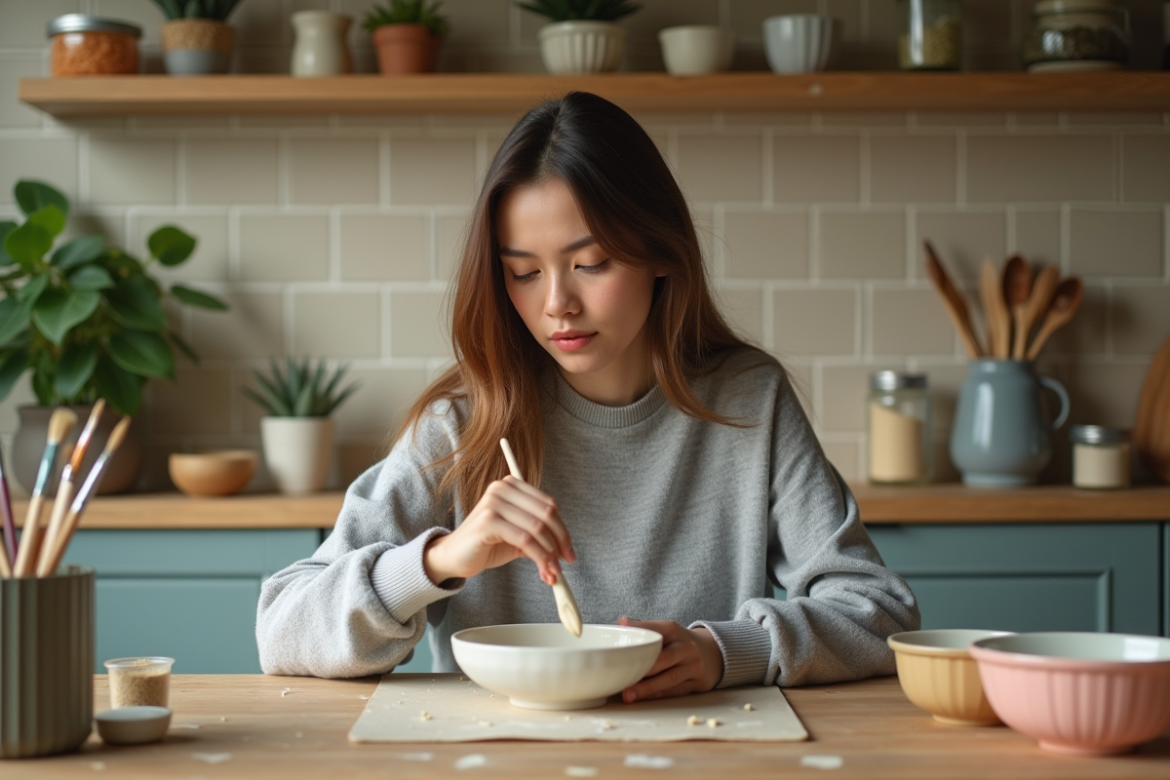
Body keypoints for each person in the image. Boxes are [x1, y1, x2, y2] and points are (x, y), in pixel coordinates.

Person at [256, 91, 919, 702]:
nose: (556, 305)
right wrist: (440, 559)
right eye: (523, 272)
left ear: (663, 252)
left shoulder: (750, 402)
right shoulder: (465, 422)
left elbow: (879, 611)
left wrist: (726, 652)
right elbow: (281, 629)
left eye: (591, 263)